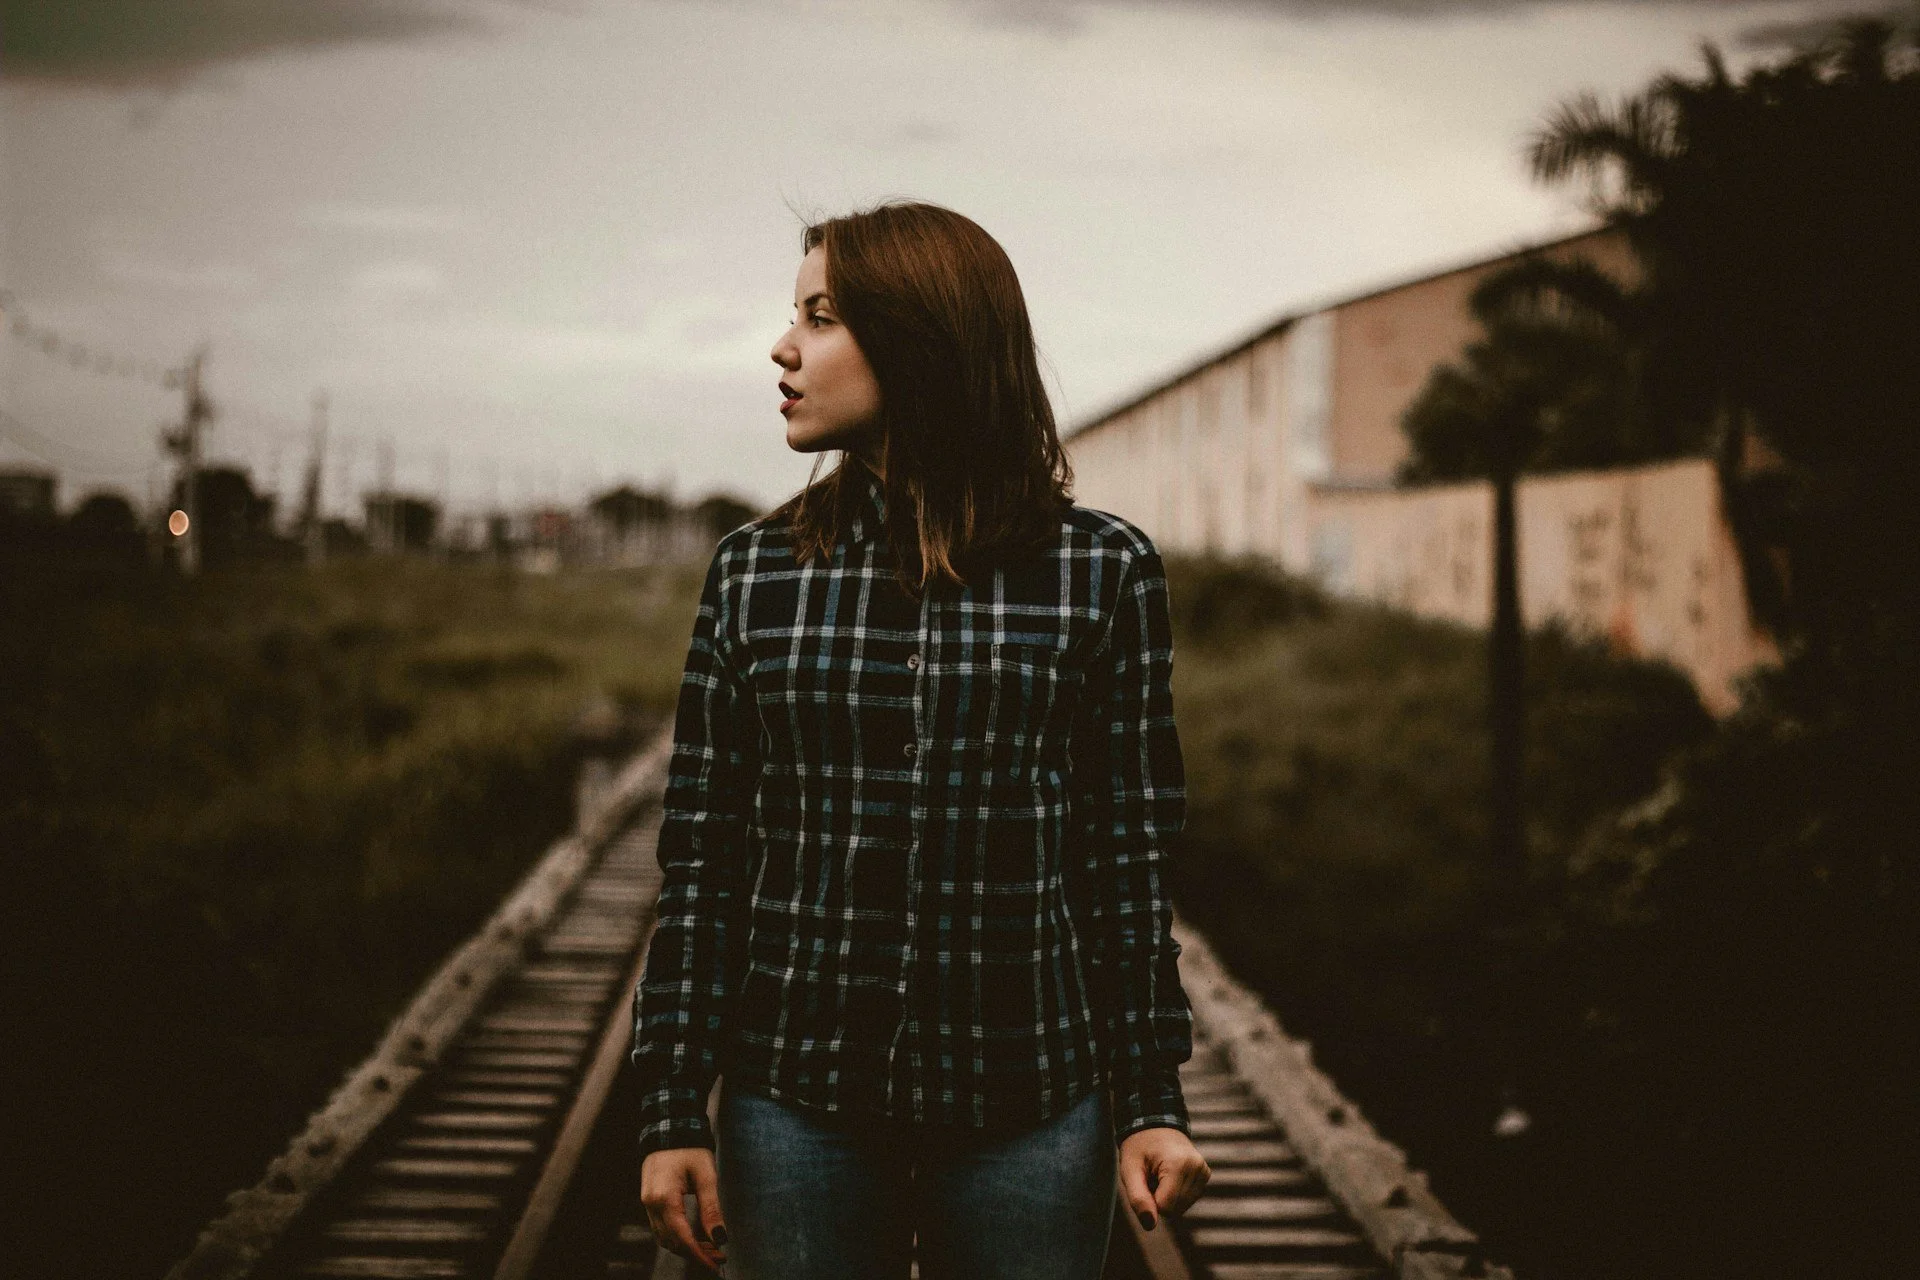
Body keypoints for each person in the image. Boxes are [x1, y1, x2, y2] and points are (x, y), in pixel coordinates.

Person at [631, 200, 1209, 1279]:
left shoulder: (1102, 572)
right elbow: (702, 858)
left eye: (821, 316)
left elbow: (1123, 859)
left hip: (1029, 1101)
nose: (783, 345)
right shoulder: (754, 573)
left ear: (920, 337)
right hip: (795, 1101)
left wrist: (1149, 1099)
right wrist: (671, 1104)